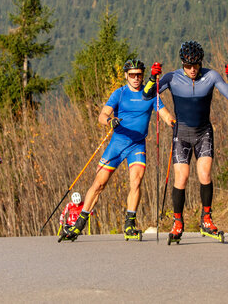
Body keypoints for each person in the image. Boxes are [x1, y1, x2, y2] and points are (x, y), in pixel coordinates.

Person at [60, 59, 175, 242]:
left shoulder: (151, 95)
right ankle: (78, 225)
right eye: (132, 75)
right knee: (99, 184)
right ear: (126, 76)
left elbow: (165, 114)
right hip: (117, 145)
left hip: (137, 145)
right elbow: (102, 115)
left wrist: (173, 124)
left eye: (139, 75)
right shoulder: (119, 94)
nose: (136, 78)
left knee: (136, 182)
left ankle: (129, 224)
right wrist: (109, 121)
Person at [142, 41, 228, 244]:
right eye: (188, 65)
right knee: (182, 177)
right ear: (182, 63)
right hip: (182, 133)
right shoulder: (172, 77)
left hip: (204, 133)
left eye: (196, 65)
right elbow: (147, 96)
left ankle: (206, 219)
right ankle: (177, 222)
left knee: (205, 174)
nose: (193, 69)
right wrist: (152, 78)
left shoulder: (211, 76)